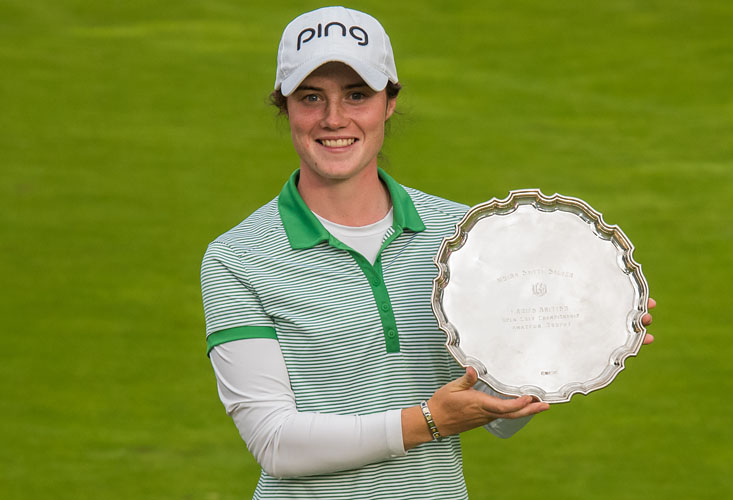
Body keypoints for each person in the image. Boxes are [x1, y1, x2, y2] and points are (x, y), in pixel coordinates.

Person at [201, 6, 655, 499]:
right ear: (285, 105)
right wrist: (426, 423)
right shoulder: (237, 257)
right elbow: (276, 443)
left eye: (357, 95)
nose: (335, 119)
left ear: (389, 102)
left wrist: (569, 339)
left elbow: (495, 413)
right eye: (312, 98)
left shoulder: (465, 236)